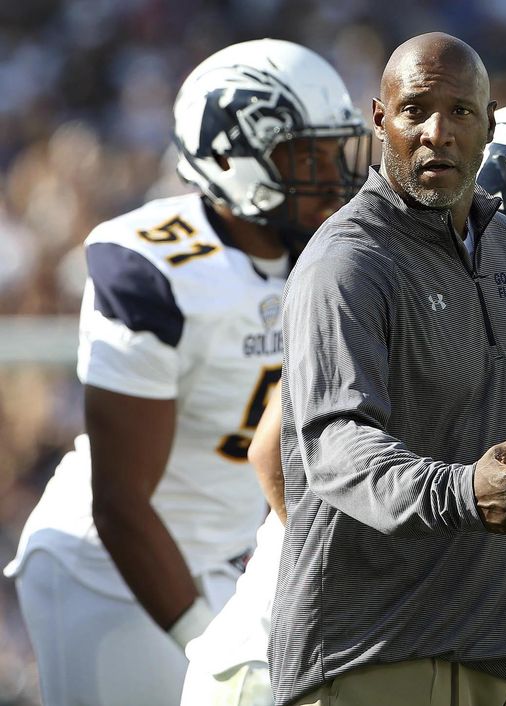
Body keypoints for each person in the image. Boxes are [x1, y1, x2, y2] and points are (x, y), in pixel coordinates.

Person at [180, 98, 506, 706]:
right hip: (292, 656)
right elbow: (275, 452)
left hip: (434, 649)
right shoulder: (386, 269)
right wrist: (377, 580)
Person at [4, 39, 369, 706]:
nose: (330, 176)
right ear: (230, 158)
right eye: (304, 156)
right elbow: (120, 501)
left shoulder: (325, 252)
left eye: (333, 152)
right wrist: (209, 645)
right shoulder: (150, 265)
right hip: (110, 570)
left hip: (232, 560)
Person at [269, 33, 506, 706]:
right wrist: (463, 492)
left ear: (490, 125)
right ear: (380, 118)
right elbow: (335, 445)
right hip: (374, 653)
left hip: (504, 658)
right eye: (415, 109)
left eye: (460, 111)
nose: (436, 132)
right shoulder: (347, 261)